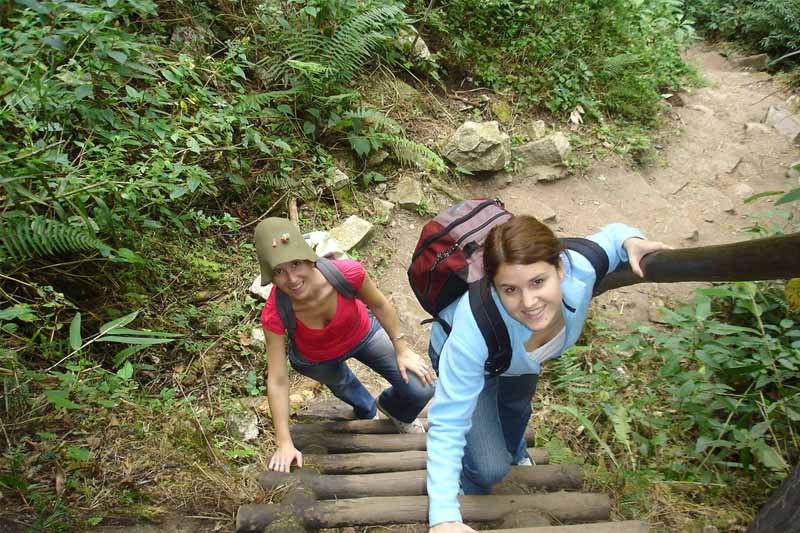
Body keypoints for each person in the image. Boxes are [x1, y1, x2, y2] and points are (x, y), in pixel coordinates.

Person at [425, 216, 670, 533]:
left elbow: (612, 236)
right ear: (495, 287)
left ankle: (515, 452)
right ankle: (470, 488)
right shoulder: (474, 329)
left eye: (538, 282)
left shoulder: (582, 266)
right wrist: (444, 515)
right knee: (489, 467)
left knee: (516, 408)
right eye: (510, 289)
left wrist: (632, 240)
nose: (528, 302)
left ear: (561, 269)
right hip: (479, 360)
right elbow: (448, 422)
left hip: (520, 359)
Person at [255, 217, 435, 473]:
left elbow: (380, 304)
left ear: (308, 259)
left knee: (422, 388)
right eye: (279, 272)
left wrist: (402, 349)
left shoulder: (347, 272)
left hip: (362, 333)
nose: (292, 279)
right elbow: (278, 380)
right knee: (345, 385)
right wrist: (284, 442)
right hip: (316, 358)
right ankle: (366, 410)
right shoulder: (275, 313)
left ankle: (394, 409)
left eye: (296, 264)